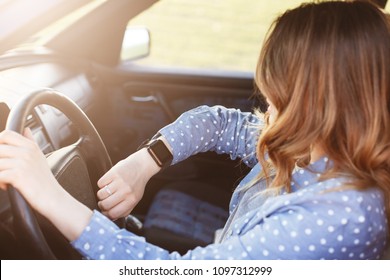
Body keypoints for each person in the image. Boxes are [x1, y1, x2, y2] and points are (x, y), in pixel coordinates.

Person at [0, 0, 389, 260]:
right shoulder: (317, 149)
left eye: (277, 94)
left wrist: (49, 193)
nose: (267, 104)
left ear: (318, 102)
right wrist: (147, 160)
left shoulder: (340, 216)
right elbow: (220, 123)